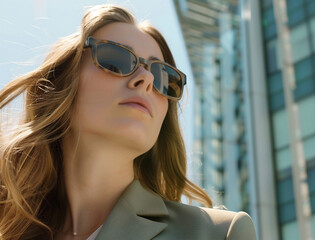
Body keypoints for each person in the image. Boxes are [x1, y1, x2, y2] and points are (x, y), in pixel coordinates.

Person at [0, 4, 257, 240]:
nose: (145, 79)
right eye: (116, 59)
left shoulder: (217, 233)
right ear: (60, 85)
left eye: (163, 77)